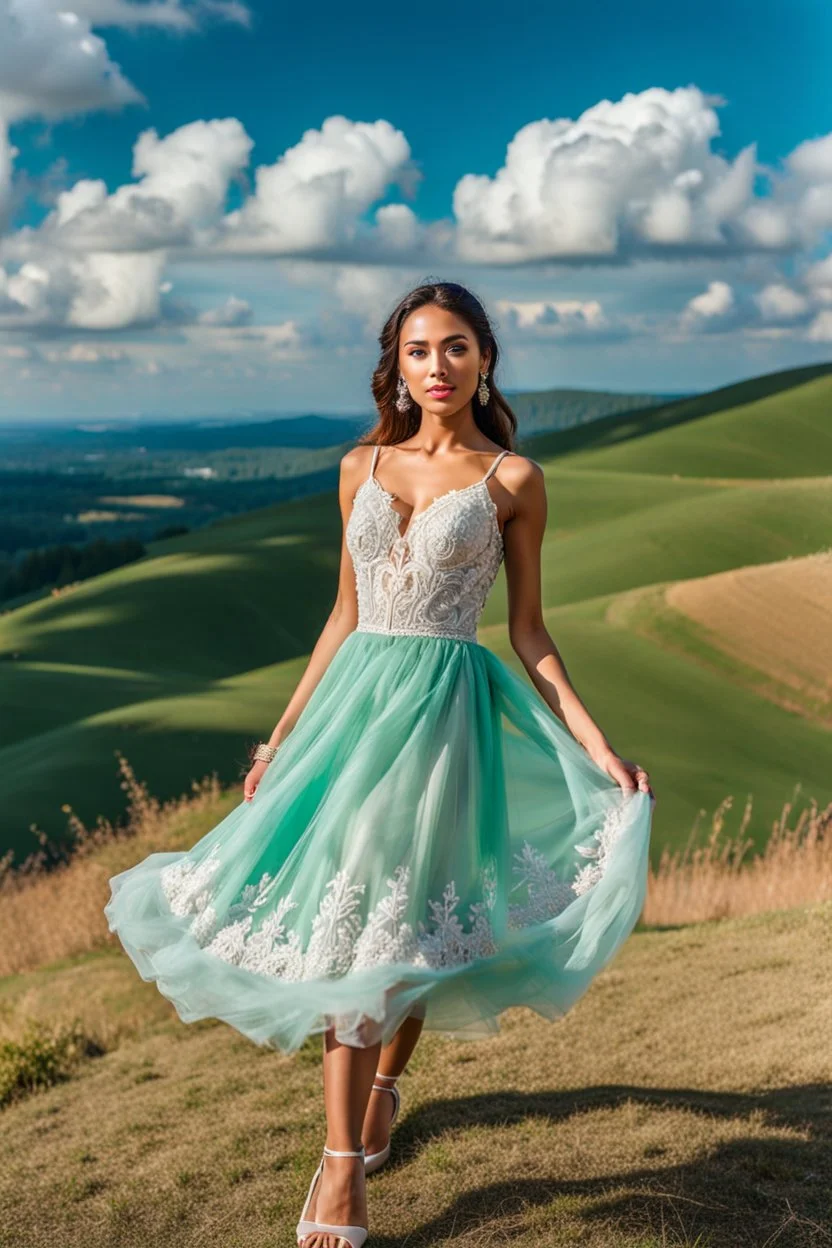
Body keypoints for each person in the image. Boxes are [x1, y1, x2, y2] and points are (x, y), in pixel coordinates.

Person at [105, 279, 655, 1248]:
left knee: (410, 916)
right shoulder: (358, 465)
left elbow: (527, 632)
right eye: (415, 350)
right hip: (354, 712)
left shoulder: (512, 481)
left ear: (483, 357)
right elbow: (343, 616)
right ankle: (339, 1164)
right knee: (357, 917)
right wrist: (283, 734)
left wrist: (593, 739)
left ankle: (375, 1106)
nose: (434, 367)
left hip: (446, 716)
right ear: (393, 364)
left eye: (452, 347)